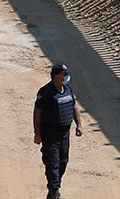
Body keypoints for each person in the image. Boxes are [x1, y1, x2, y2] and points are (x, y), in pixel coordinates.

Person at [34, 63, 83, 199]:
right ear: (56, 76)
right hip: (50, 135)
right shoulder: (45, 92)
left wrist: (78, 125)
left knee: (63, 162)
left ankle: (53, 191)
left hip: (65, 135)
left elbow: (73, 106)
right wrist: (37, 134)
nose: (67, 76)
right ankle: (54, 190)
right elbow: (37, 114)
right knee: (52, 163)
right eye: (64, 74)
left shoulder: (67, 89)